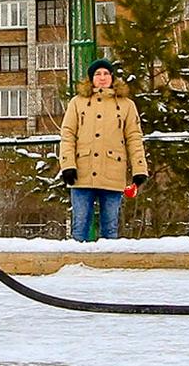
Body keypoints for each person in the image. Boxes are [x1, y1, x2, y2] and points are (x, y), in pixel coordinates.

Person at [56, 59, 148, 241]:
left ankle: (109, 266)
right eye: (98, 74)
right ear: (91, 79)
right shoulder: (77, 103)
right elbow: (67, 135)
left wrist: (139, 169)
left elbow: (134, 138)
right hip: (82, 173)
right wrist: (67, 165)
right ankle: (77, 266)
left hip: (113, 172)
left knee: (110, 228)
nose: (102, 78)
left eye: (106, 73)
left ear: (112, 77)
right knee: (80, 226)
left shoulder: (126, 105)